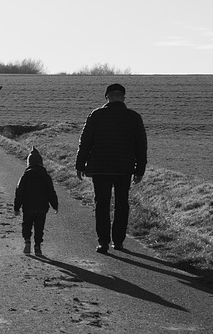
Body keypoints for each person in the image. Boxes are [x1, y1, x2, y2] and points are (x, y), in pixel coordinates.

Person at [75, 83, 147, 254]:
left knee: (101, 204)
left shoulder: (96, 115)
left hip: (100, 167)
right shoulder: (134, 117)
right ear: (123, 97)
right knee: (122, 204)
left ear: (107, 97)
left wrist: (80, 165)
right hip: (124, 168)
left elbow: (85, 142)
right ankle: (119, 241)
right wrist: (139, 170)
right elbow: (141, 146)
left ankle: (103, 242)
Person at [13, 147, 59, 256]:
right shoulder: (46, 177)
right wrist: (55, 205)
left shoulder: (25, 176)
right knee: (39, 227)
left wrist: (16, 207)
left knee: (27, 224)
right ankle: (37, 246)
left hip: (28, 207)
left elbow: (19, 192)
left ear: (29, 163)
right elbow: (51, 192)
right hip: (42, 207)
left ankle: (27, 241)